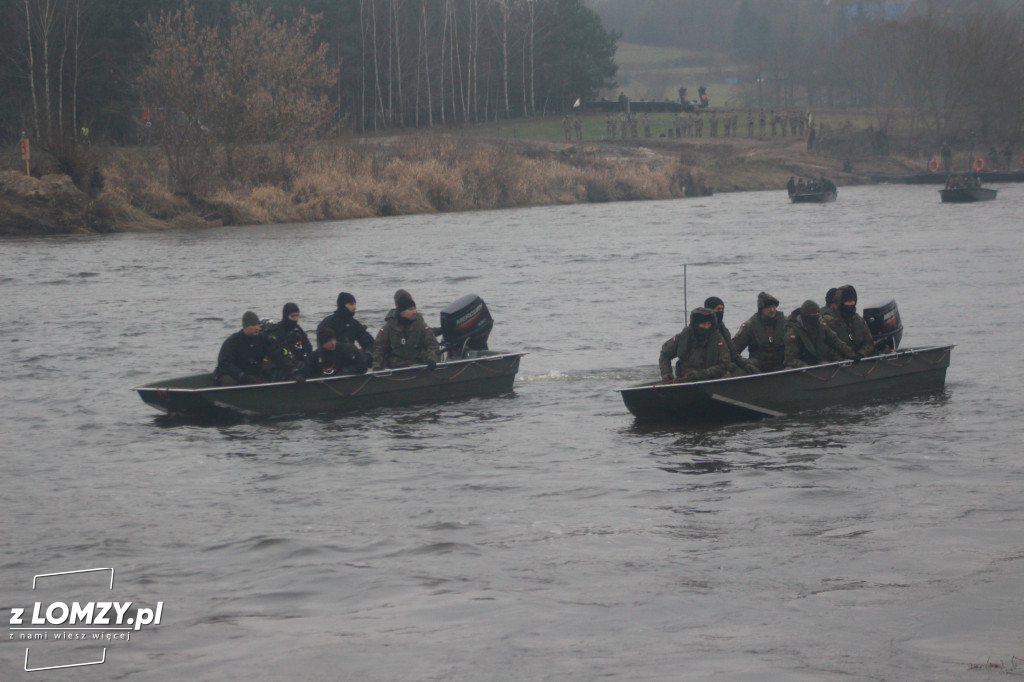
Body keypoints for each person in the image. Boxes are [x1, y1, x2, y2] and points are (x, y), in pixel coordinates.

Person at [212, 311, 302, 385]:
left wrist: (293, 370)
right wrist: (242, 375)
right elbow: (224, 363)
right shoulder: (233, 341)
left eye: (258, 325)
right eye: (254, 325)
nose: (257, 328)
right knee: (229, 381)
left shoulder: (263, 339)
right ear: (245, 326)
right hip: (234, 375)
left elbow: (278, 356)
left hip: (253, 375)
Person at [658, 307, 735, 383]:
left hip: (712, 380)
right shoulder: (683, 338)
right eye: (703, 324)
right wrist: (667, 375)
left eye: (709, 324)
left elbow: (725, 364)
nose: (707, 327)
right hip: (685, 379)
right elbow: (665, 354)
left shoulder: (717, 339)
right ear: (696, 324)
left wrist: (702, 374)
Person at [372, 290, 439, 370]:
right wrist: (377, 366)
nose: (414, 312)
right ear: (401, 312)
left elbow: (432, 343)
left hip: (416, 363)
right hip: (395, 367)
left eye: (414, 309)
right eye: (410, 309)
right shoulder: (389, 327)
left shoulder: (419, 324)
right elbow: (379, 348)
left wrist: (432, 359)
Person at [784, 300, 857, 368]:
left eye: (817, 313)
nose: (816, 316)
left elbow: (835, 341)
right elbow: (790, 359)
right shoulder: (793, 332)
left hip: (821, 363)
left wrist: (851, 354)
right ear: (806, 315)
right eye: (813, 314)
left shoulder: (821, 326)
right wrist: (806, 366)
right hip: (803, 368)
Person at [732, 292, 788, 373]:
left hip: (781, 362)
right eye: (768, 307)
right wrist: (745, 364)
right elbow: (734, 349)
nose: (772, 310)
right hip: (758, 365)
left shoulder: (786, 322)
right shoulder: (750, 325)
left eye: (773, 307)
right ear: (761, 309)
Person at [318, 292, 375, 369]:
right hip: (332, 361)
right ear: (343, 305)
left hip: (351, 358)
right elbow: (323, 346)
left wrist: (367, 354)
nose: (355, 307)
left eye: (355, 304)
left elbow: (368, 341)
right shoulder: (328, 323)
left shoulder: (354, 323)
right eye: (351, 304)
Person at [703, 296, 756, 374]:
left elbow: (732, 351)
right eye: (718, 309)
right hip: (711, 367)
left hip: (726, 363)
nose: (721, 312)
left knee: (749, 368)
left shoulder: (722, 328)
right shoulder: (704, 329)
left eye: (722, 309)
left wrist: (745, 364)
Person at [823, 285, 876, 357]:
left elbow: (869, 343)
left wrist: (861, 354)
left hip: (859, 359)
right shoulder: (828, 321)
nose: (852, 304)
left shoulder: (858, 320)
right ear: (841, 303)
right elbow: (824, 347)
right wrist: (844, 358)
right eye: (849, 301)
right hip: (838, 362)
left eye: (854, 301)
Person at [264, 302, 313, 378]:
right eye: (293, 316)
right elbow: (280, 356)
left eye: (297, 316)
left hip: (298, 365)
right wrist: (293, 370)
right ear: (286, 316)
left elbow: (308, 348)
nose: (295, 319)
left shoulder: (298, 330)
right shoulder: (277, 332)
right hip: (281, 368)